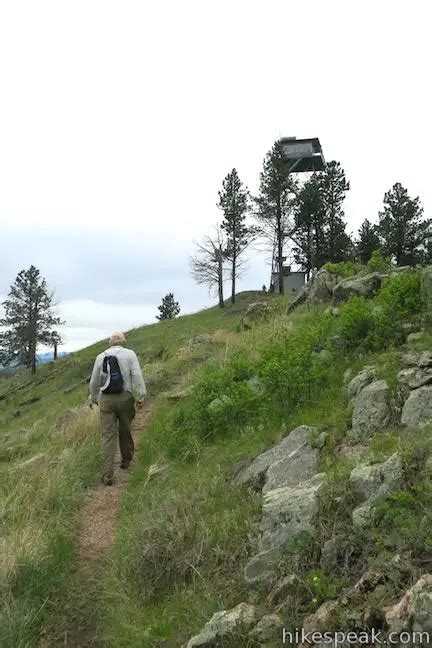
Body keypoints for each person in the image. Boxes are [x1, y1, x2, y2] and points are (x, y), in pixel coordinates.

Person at [89, 331, 146, 485]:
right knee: (125, 429)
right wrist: (141, 396)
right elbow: (137, 375)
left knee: (108, 436)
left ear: (110, 342)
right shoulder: (130, 354)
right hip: (125, 397)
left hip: (106, 399)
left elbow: (94, 381)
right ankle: (126, 460)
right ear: (123, 341)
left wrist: (93, 398)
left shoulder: (100, 357)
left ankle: (107, 474)